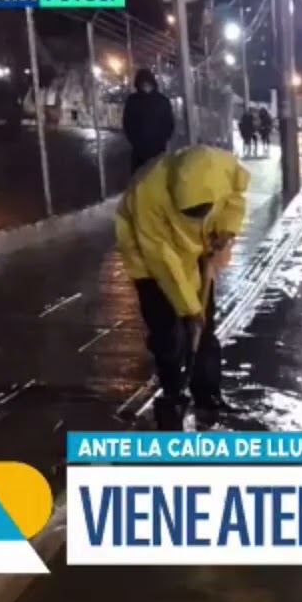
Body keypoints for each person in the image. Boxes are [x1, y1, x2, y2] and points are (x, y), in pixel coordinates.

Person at [114, 144, 251, 430]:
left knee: (205, 329)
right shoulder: (146, 192)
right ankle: (173, 392)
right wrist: (190, 310)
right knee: (167, 331)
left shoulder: (224, 169)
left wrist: (226, 231)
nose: (197, 216)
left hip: (197, 252)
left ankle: (208, 396)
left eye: (203, 211)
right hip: (148, 259)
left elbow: (235, 199)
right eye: (190, 212)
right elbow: (161, 259)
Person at [122, 68, 176, 173]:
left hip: (157, 148)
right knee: (142, 175)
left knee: (155, 174)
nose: (145, 86)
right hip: (140, 149)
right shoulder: (133, 100)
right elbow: (127, 123)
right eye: (143, 84)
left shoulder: (162, 100)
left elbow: (169, 122)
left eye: (147, 83)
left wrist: (162, 139)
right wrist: (135, 141)